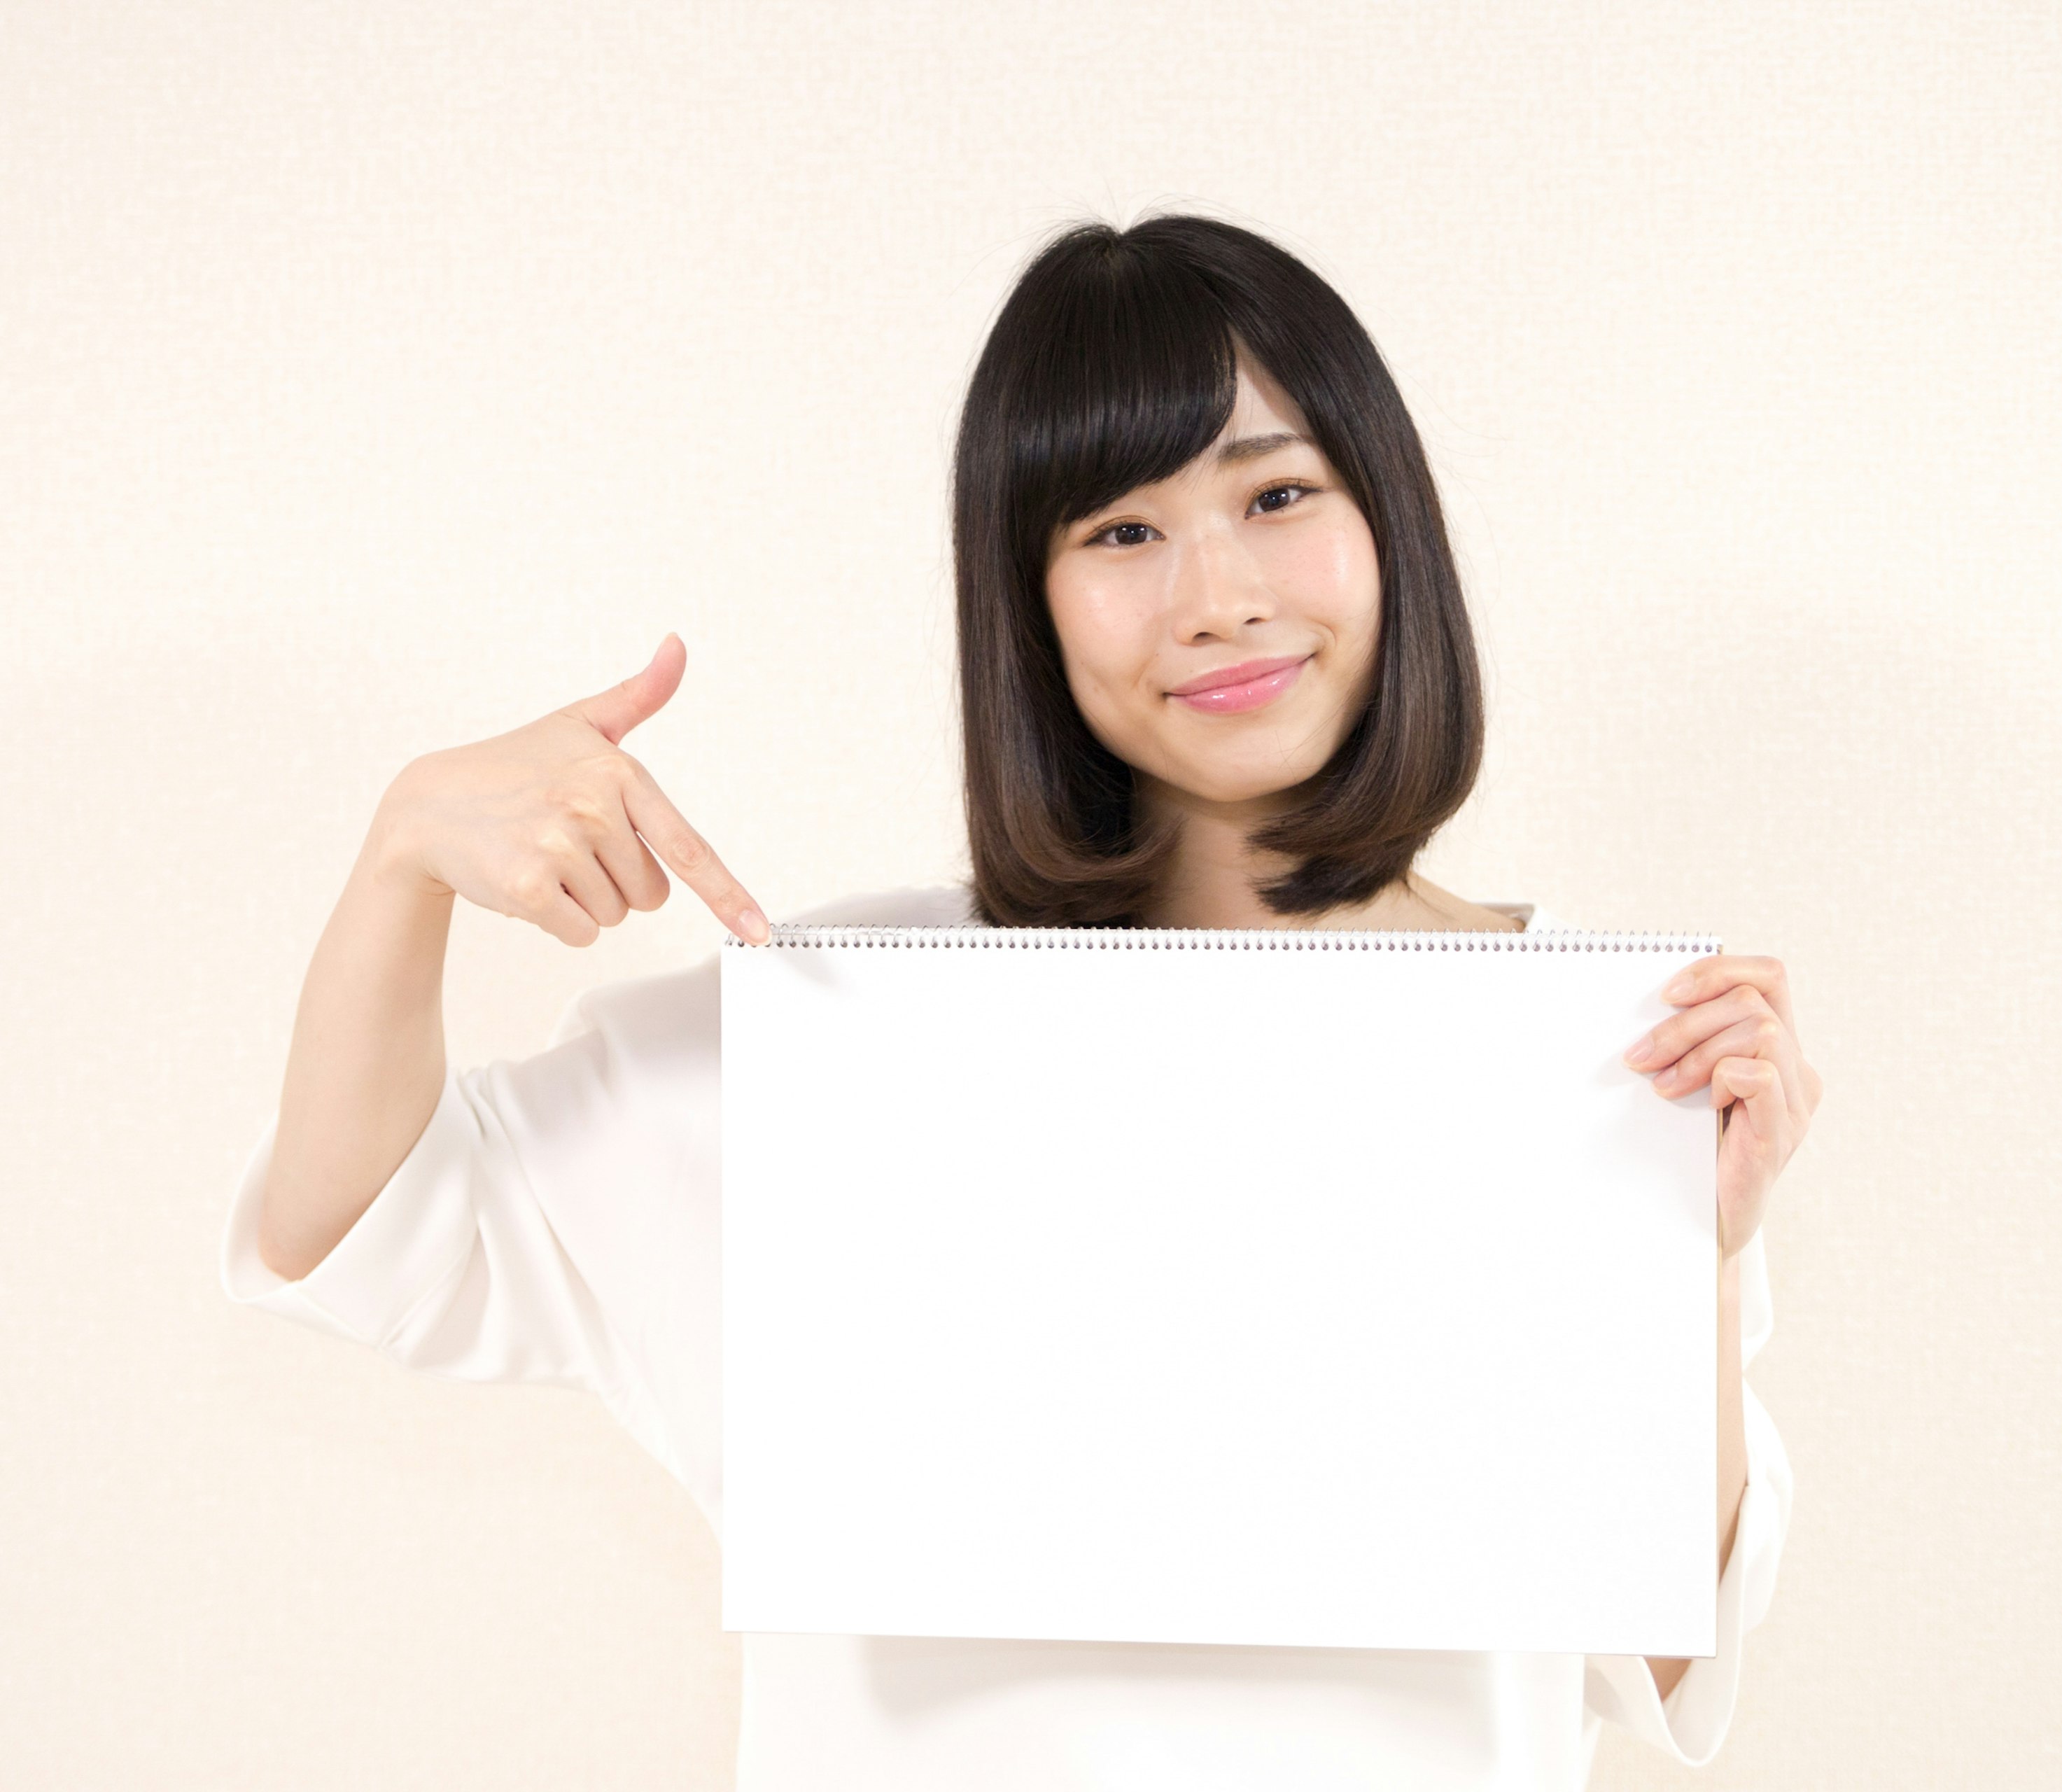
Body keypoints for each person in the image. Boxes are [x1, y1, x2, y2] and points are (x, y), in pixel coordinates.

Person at [222, 212, 1826, 1790]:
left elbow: (1666, 1653)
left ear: (1390, 524)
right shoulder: (848, 1037)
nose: (1218, 595)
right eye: (1121, 531)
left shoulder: (1599, 1053)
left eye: (1278, 493)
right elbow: (360, 1229)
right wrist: (405, 854)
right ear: (1031, 607)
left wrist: (1702, 1237)